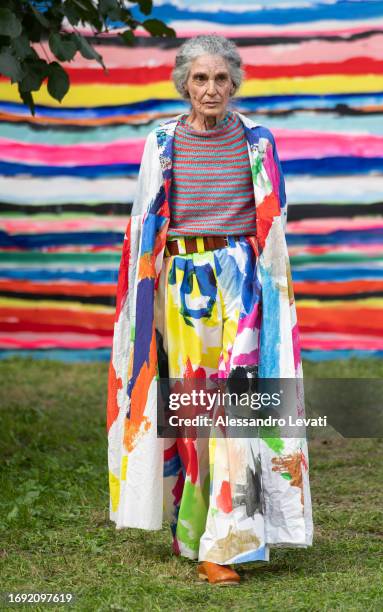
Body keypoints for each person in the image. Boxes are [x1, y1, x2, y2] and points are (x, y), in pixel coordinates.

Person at [106, 34, 313, 586]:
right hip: (182, 286)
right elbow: (144, 229)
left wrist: (272, 303)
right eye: (200, 79)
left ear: (235, 83)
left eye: (221, 79)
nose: (211, 89)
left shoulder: (258, 142)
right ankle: (195, 531)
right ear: (184, 84)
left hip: (243, 284)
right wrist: (145, 308)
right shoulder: (161, 144)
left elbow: (274, 228)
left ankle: (223, 542)